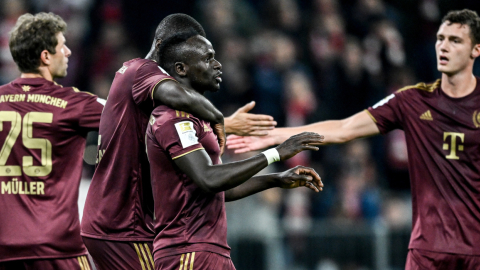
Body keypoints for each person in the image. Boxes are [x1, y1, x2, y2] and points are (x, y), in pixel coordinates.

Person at [227, 9, 480, 269]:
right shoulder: (412, 101)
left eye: (455, 40)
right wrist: (276, 135)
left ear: (476, 50)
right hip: (428, 251)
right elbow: (343, 128)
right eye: (441, 39)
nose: (444, 47)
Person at [80, 14, 276, 270]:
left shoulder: (134, 81)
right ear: (162, 45)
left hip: (116, 219)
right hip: (124, 223)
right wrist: (216, 116)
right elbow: (173, 92)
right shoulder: (143, 70)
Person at [147, 30, 324, 270]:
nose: (217, 64)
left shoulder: (195, 120)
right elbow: (209, 178)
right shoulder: (175, 120)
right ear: (182, 69)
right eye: (207, 58)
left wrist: (275, 179)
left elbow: (219, 190)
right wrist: (275, 154)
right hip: (187, 251)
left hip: (211, 250)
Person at [0, 12, 103, 269]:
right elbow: (129, 114)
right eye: (62, 46)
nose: (67, 52)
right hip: (56, 247)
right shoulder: (76, 103)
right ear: (45, 56)